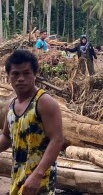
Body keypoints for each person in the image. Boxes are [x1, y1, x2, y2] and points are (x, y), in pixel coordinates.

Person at [0, 50, 64, 194]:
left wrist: (37, 174)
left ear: (34, 74)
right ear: (9, 76)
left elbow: (57, 139)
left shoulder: (43, 102)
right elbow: (6, 137)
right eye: (15, 74)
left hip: (40, 180)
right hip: (18, 176)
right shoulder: (11, 105)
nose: (21, 78)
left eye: (26, 73)